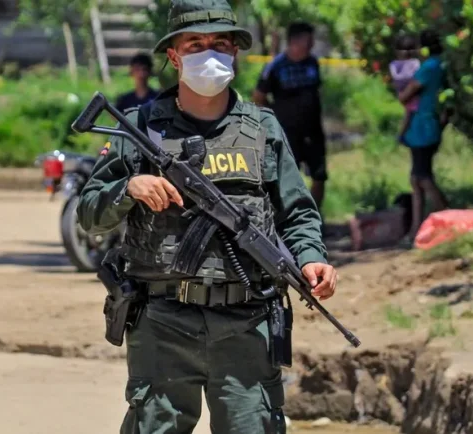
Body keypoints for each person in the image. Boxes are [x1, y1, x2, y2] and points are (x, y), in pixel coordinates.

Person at [77, 1, 337, 432]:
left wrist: (311, 258)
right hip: (162, 321)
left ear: (234, 51)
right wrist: (128, 189)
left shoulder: (263, 129)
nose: (209, 52)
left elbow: (297, 213)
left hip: (247, 321)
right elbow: (90, 213)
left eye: (219, 43)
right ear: (174, 55)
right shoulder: (139, 130)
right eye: (195, 43)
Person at [253, 21, 327, 210]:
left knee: (319, 175)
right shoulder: (276, 66)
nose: (311, 44)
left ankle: (315, 216)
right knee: (286, 177)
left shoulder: (313, 63)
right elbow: (259, 96)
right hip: (287, 134)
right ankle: (287, 218)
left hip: (313, 132)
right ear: (296, 40)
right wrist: (275, 117)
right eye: (308, 40)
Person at [398, 29, 450, 239]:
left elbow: (405, 96)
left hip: (422, 129)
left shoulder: (428, 68)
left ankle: (448, 218)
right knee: (416, 179)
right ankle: (416, 229)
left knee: (423, 178)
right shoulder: (442, 65)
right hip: (429, 127)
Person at [389, 33, 421, 145]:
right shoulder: (414, 64)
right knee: (410, 116)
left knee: (409, 115)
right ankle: (402, 136)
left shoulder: (396, 65)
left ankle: (402, 136)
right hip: (411, 95)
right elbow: (416, 77)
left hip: (406, 95)